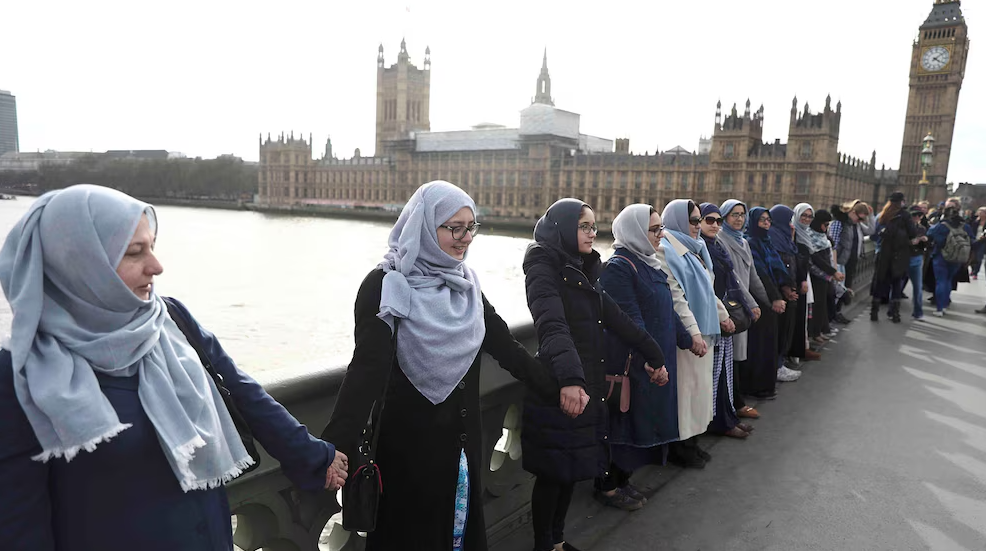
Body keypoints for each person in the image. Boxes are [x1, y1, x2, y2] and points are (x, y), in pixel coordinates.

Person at [0, 185, 347, 551]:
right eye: (135, 252)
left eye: (152, 246)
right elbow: (18, 519)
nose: (156, 265)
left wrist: (312, 453)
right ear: (77, 261)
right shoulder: (21, 372)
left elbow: (243, 392)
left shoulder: (171, 320)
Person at [320, 181, 557, 551]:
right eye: (453, 227)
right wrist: (333, 447)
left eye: (471, 227)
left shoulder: (466, 286)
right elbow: (366, 371)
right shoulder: (385, 285)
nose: (464, 238)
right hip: (408, 456)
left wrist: (558, 388)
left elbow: (505, 346)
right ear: (424, 226)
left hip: (462, 452)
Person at [522, 198, 667, 549]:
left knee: (570, 468)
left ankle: (557, 541)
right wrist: (571, 380)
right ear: (564, 228)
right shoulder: (543, 266)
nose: (591, 233)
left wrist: (653, 354)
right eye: (584, 226)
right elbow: (551, 325)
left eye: (594, 227)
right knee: (553, 473)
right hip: (560, 383)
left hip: (585, 384)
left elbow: (617, 319)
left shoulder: (583, 268)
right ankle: (545, 544)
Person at [597, 204, 692, 507]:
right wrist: (651, 359)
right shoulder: (619, 267)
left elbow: (666, 308)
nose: (660, 235)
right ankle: (608, 486)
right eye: (654, 229)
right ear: (634, 230)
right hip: (636, 363)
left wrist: (686, 338)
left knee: (644, 423)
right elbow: (630, 321)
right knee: (625, 427)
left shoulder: (650, 263)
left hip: (656, 359)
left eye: (661, 228)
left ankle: (624, 480)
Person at [659, 200, 732, 466]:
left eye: (698, 220)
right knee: (686, 394)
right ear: (677, 220)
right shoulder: (666, 250)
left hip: (705, 330)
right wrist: (693, 334)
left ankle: (693, 440)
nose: (698, 225)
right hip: (689, 337)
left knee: (700, 392)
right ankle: (682, 447)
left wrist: (723, 316)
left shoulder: (696, 249)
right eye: (693, 220)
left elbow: (707, 290)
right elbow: (677, 299)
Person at [699, 203, 755, 438]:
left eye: (718, 221)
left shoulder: (714, 247)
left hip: (725, 316)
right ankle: (719, 422)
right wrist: (722, 315)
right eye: (707, 220)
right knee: (715, 375)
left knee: (723, 373)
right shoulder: (701, 249)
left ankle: (727, 416)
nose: (715, 225)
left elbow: (735, 280)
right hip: (712, 319)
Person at [717, 200, 768, 420]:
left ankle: (736, 401)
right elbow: (734, 278)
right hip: (732, 305)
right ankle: (735, 404)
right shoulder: (720, 240)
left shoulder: (744, 242)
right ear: (725, 217)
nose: (739, 218)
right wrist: (752, 304)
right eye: (733, 214)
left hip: (743, 304)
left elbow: (752, 276)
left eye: (742, 214)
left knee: (738, 355)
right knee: (732, 357)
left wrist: (766, 301)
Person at [744, 207, 795, 398]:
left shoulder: (766, 242)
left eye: (768, 220)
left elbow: (777, 267)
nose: (766, 223)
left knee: (769, 341)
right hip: (759, 298)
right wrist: (774, 298)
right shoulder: (751, 243)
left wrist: (787, 286)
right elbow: (760, 274)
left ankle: (766, 384)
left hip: (771, 295)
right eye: (762, 220)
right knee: (759, 344)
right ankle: (756, 387)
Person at [769, 205, 816, 365]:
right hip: (779, 291)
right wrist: (785, 287)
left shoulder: (786, 238)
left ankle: (783, 359)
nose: (791, 224)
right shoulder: (773, 238)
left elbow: (795, 258)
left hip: (790, 287)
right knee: (780, 329)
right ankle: (778, 363)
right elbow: (777, 265)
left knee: (788, 326)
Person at [794, 205, 844, 344]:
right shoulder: (805, 234)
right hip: (814, 276)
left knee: (823, 303)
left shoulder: (821, 236)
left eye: (809, 216)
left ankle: (819, 330)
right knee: (815, 305)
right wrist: (832, 272)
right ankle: (813, 334)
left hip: (825, 276)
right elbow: (813, 259)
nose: (826, 227)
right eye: (804, 216)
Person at [870, 193, 917, 323]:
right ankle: (894, 314)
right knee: (896, 284)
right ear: (901, 202)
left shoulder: (881, 216)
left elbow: (873, 236)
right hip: (899, 255)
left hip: (882, 253)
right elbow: (912, 234)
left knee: (880, 282)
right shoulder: (905, 216)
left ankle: (874, 312)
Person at [828, 200, 875, 322]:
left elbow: (870, 231)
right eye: (859, 218)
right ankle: (833, 314)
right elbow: (833, 244)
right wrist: (834, 263)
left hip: (852, 260)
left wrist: (871, 216)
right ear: (853, 212)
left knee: (846, 288)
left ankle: (837, 313)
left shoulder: (856, 225)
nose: (859, 221)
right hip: (840, 261)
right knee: (837, 289)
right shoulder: (840, 223)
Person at [926, 202, 975, 317]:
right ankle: (944, 305)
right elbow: (972, 241)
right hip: (957, 257)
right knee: (949, 280)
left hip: (941, 256)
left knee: (940, 281)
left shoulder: (941, 225)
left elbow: (929, 234)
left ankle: (939, 309)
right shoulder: (965, 226)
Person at [906, 205, 931, 320]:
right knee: (896, 284)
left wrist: (925, 241)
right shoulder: (904, 227)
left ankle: (918, 312)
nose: (917, 217)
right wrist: (911, 242)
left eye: (919, 215)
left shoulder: (922, 228)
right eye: (914, 215)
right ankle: (893, 310)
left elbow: (925, 246)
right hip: (905, 258)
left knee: (918, 286)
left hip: (917, 258)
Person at [969, 207, 986, 280]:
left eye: (982, 212)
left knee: (979, 257)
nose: (980, 213)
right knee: (972, 256)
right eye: (979, 212)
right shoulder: (975, 221)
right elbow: (971, 229)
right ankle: (973, 269)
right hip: (974, 240)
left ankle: (976, 272)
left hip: (983, 241)